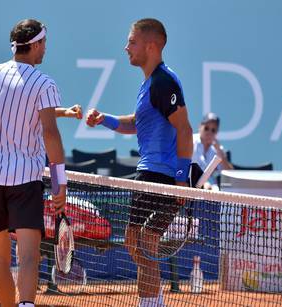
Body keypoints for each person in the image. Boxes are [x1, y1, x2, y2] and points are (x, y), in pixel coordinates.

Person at [86, 18, 193, 306]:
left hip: (162, 177)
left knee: (141, 244)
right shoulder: (149, 84)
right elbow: (137, 123)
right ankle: (154, 302)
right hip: (151, 174)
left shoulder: (163, 81)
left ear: (151, 45)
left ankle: (150, 303)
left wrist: (182, 179)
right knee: (139, 244)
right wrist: (104, 119)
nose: (126, 47)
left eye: (132, 41)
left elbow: (184, 129)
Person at [0, 19, 69, 307]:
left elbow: (11, 113)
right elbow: (49, 133)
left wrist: (62, 112)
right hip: (24, 179)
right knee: (29, 256)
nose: (45, 50)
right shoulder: (44, 83)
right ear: (36, 44)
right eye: (44, 44)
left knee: (0, 259)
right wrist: (59, 182)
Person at [192, 112, 233, 190]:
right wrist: (204, 184)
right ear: (200, 127)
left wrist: (219, 151)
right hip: (191, 185)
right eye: (206, 128)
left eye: (213, 130)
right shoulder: (191, 142)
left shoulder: (218, 149)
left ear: (216, 133)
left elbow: (229, 174)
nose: (209, 132)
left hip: (210, 189)